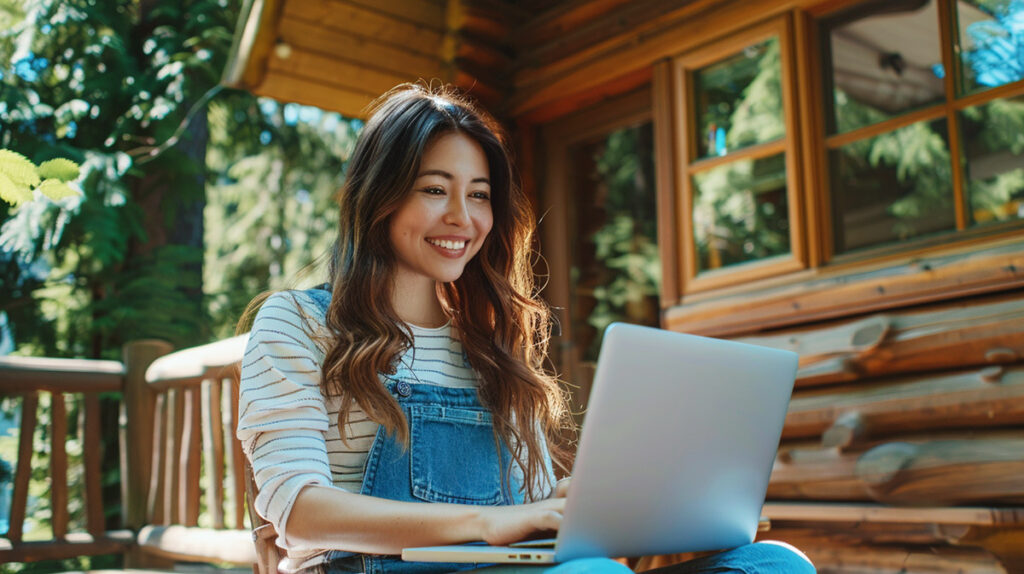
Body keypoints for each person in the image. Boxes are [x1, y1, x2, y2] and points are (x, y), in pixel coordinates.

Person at [236, 83, 815, 574]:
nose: (463, 218)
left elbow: (527, 511)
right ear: (379, 197)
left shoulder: (490, 348)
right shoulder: (299, 322)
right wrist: (490, 522)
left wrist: (580, 507)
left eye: (479, 195)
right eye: (435, 190)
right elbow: (299, 509)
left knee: (775, 564)